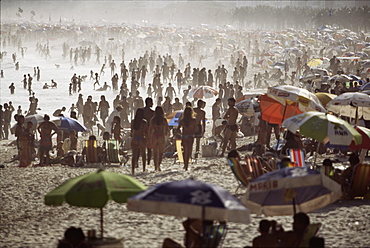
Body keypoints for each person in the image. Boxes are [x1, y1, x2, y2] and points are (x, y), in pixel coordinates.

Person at [149, 106, 169, 171]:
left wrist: (149, 138)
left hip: (154, 135)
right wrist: (167, 135)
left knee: (155, 153)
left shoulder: (153, 119)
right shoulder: (163, 119)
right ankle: (159, 165)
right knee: (160, 153)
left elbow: (150, 129)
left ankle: (155, 166)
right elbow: (167, 129)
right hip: (161, 135)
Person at [131, 108, 148, 174]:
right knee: (143, 154)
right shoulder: (144, 122)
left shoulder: (133, 121)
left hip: (135, 138)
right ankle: (143, 168)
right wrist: (147, 139)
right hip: (141, 137)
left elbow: (132, 131)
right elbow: (145, 131)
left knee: (134, 155)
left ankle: (133, 170)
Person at [142, 98, 155, 167]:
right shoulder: (152, 112)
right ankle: (148, 162)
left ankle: (139, 162)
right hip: (149, 130)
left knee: (141, 147)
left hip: (142, 130)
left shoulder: (141, 111)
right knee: (149, 147)